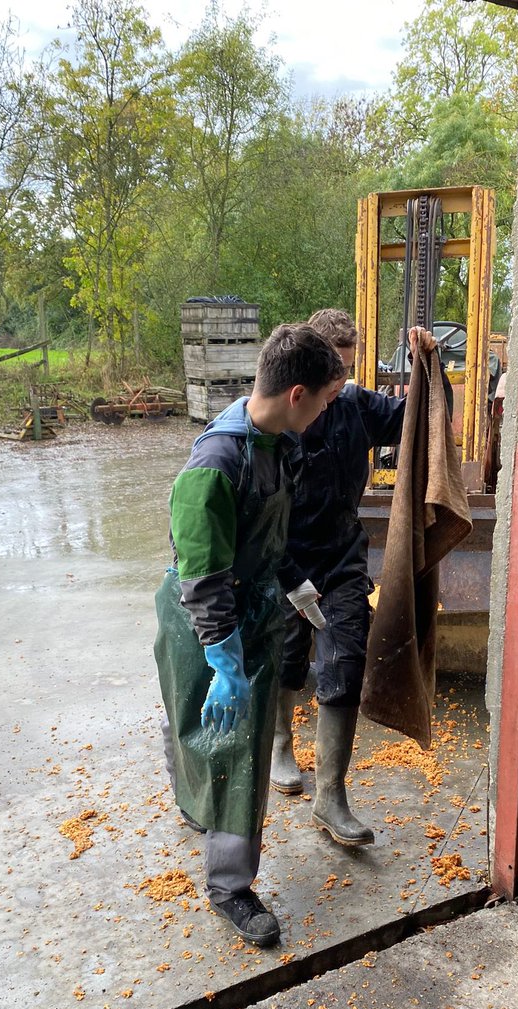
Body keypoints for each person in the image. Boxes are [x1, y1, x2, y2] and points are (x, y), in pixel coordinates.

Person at [154, 324, 347, 948]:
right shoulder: (215, 465)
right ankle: (229, 888)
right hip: (204, 621)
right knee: (221, 738)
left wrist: (297, 585)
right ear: (296, 393)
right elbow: (203, 575)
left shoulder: (277, 443)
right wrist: (224, 660)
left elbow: (273, 535)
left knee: (229, 741)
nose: (324, 414)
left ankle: (209, 828)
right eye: (322, 401)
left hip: (256, 606)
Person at [271, 310, 440, 847]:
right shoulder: (282, 417)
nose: (339, 383)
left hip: (341, 555)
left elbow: (420, 418)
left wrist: (427, 366)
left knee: (345, 657)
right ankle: (279, 743)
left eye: (346, 369)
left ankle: (330, 795)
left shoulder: (357, 405)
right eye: (332, 371)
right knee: (287, 657)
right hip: (285, 557)